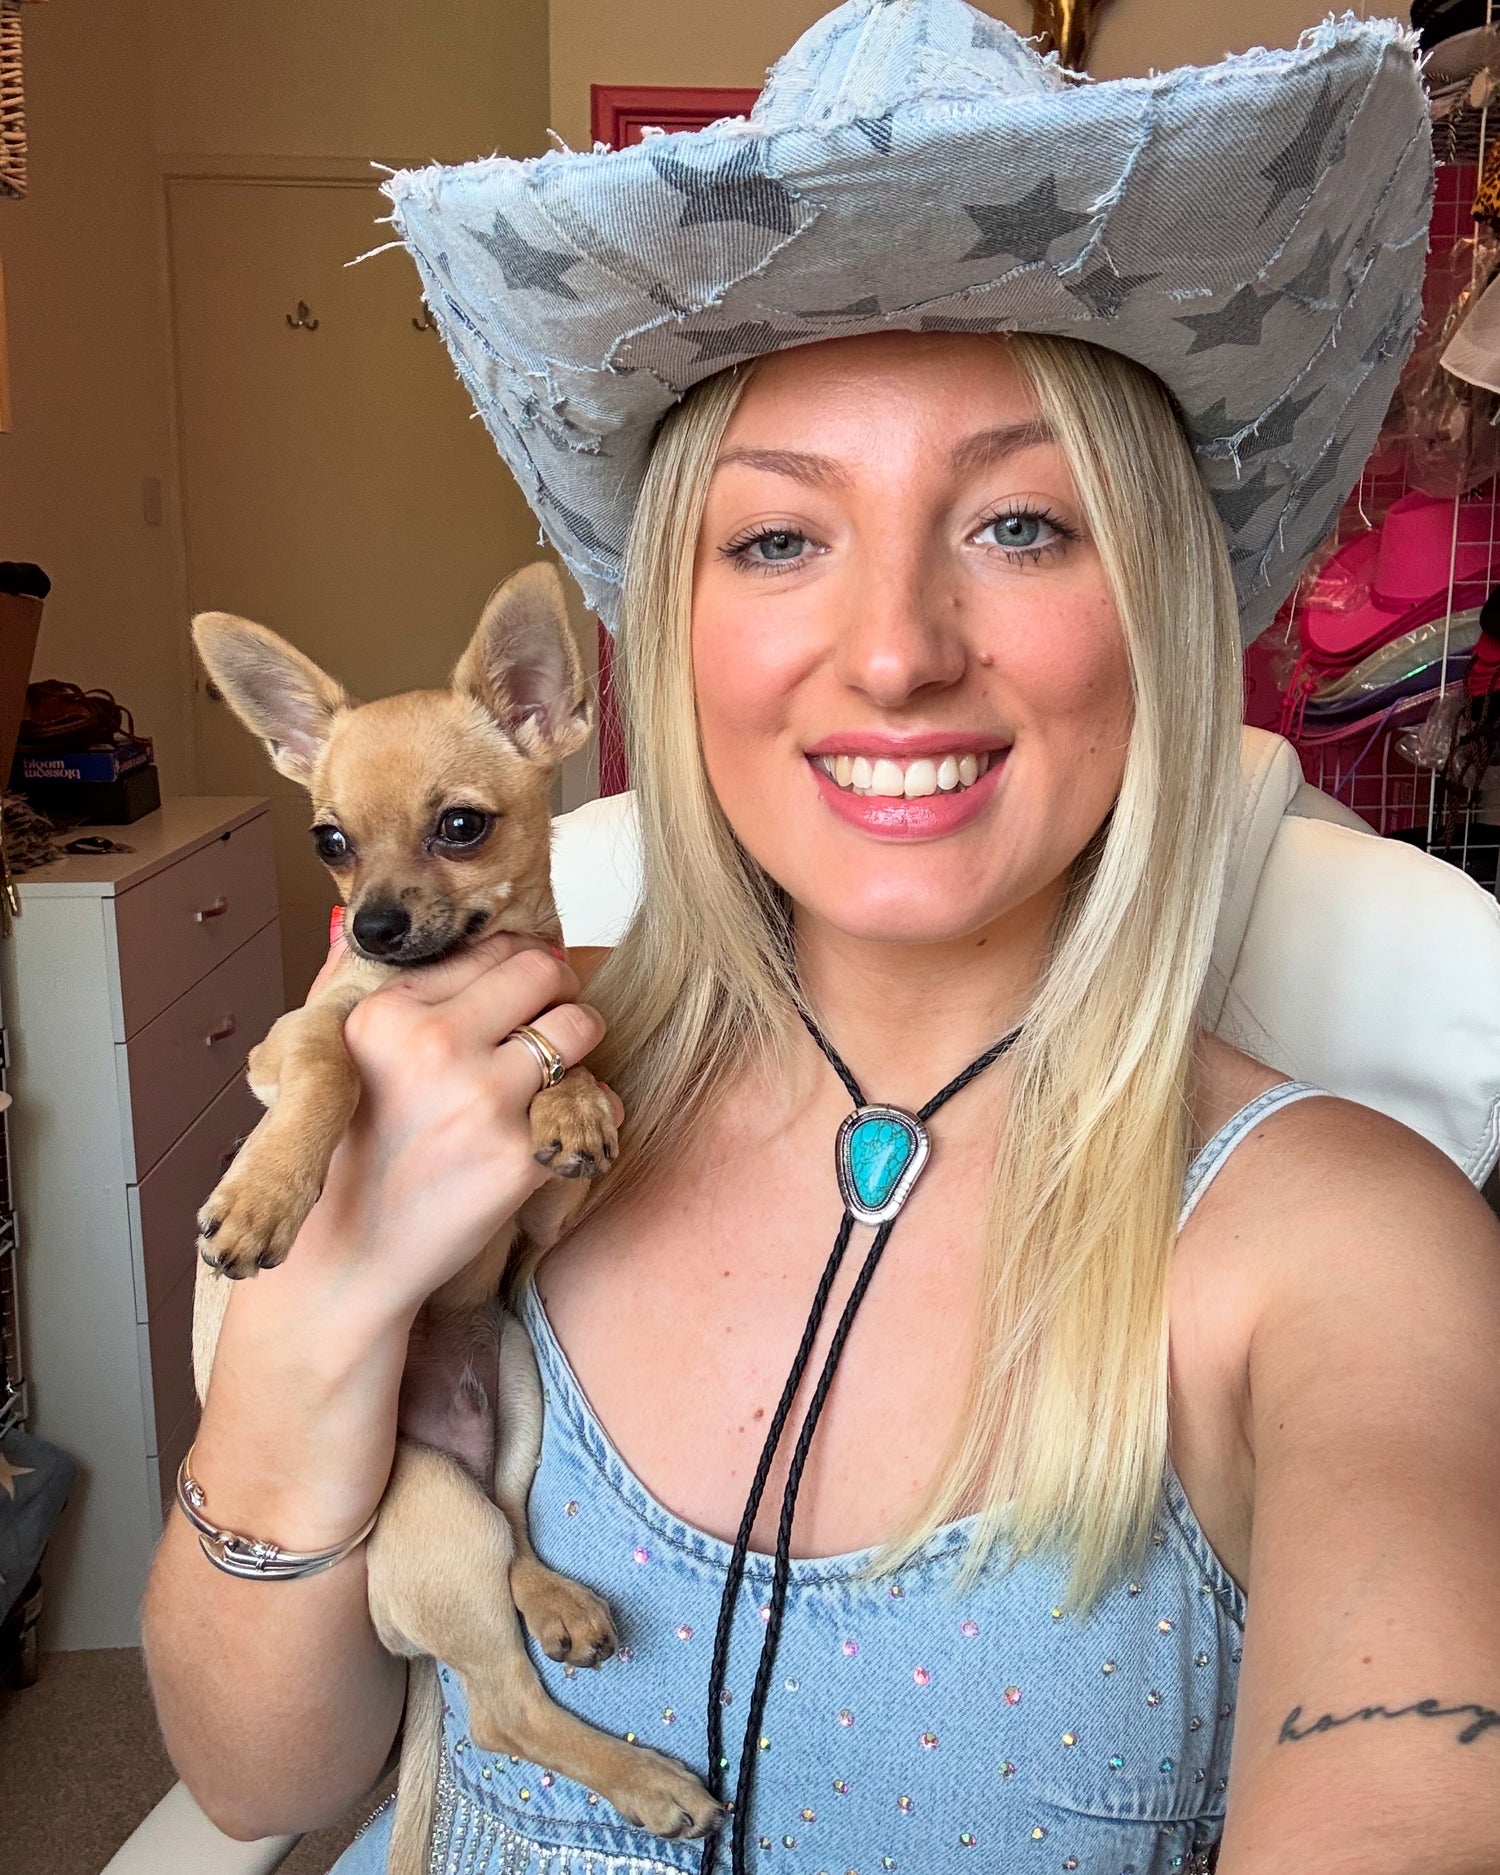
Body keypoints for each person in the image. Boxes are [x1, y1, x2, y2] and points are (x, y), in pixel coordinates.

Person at [143, 5, 1500, 1873]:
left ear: (1164, 608)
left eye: (1025, 523)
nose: (893, 652)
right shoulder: (483, 1087)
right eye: (779, 542)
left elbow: (1413, 1776)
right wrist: (332, 1299)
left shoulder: (1341, 1245)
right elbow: (255, 1779)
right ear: (670, 633)